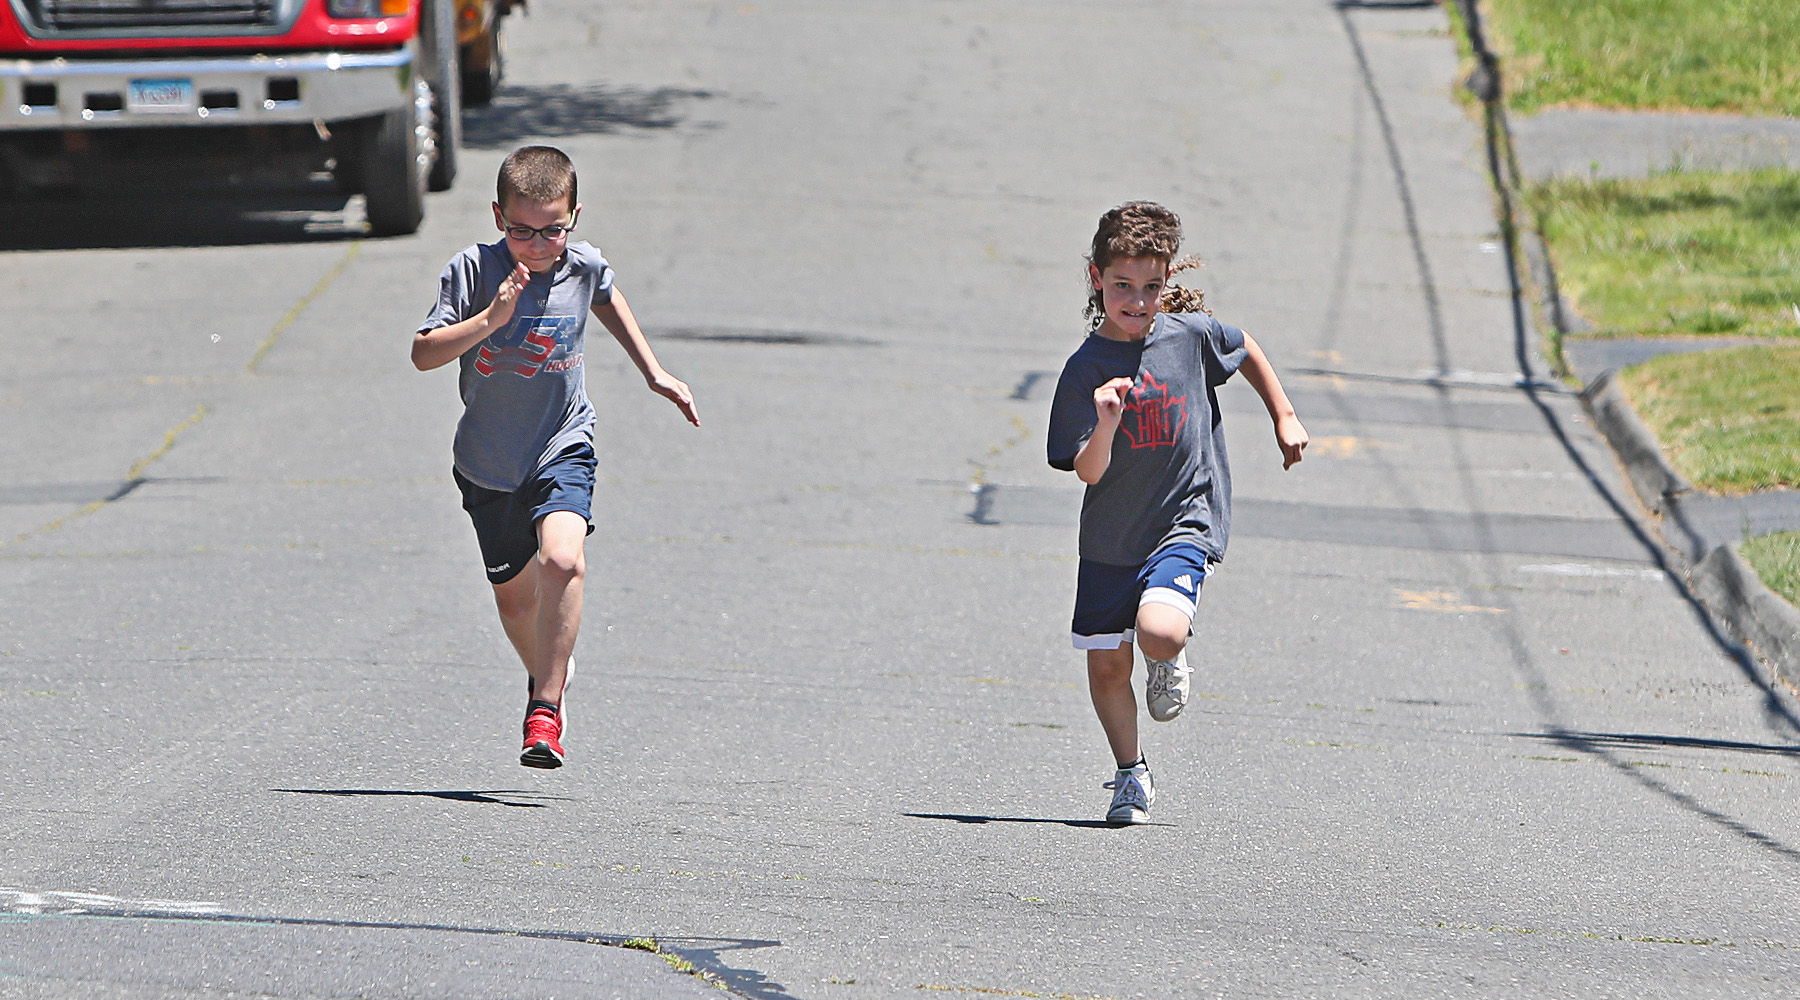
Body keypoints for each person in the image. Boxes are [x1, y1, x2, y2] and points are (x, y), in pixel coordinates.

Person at [412, 145, 699, 769]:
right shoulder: (474, 270)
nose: (538, 245)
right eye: (522, 230)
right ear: (497, 217)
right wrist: (493, 317)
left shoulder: (581, 263)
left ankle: (544, 708)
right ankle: (553, 673)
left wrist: (653, 371)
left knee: (563, 561)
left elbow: (606, 295)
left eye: (553, 230)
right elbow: (425, 354)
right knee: (516, 600)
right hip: (488, 463)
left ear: (573, 218)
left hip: (563, 441)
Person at [1046, 201, 1307, 824]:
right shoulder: (1084, 370)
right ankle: (1131, 775)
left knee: (1159, 632)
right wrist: (1106, 420)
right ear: (1096, 279)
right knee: (1109, 666)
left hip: (1186, 516)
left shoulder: (1187, 337)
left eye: (1151, 287)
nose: (1137, 301)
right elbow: (1086, 468)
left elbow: (1243, 348)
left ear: (1167, 281)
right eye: (1122, 287)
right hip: (1111, 539)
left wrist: (1284, 415)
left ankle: (1169, 652)